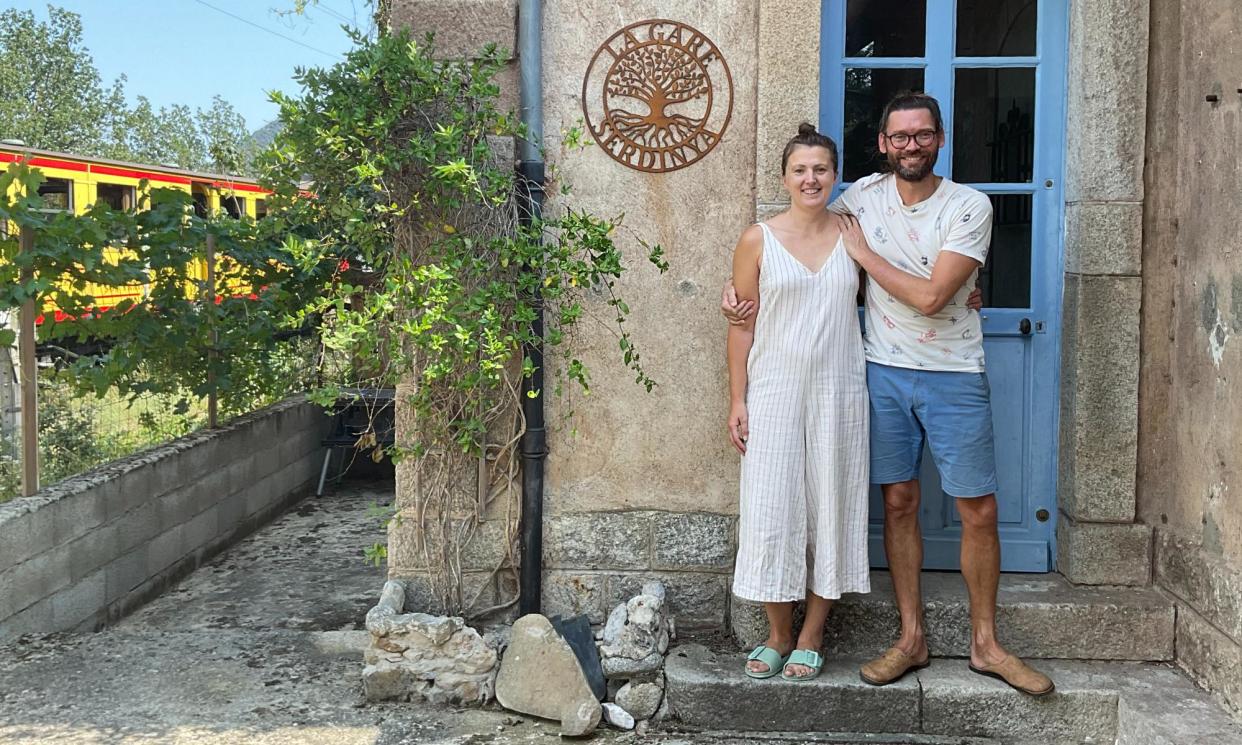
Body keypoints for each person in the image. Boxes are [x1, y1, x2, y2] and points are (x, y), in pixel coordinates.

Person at [724, 92, 1053, 697]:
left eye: (922, 135)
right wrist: (739, 310)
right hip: (881, 370)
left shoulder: (967, 205)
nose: (910, 145)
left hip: (953, 370)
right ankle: (910, 638)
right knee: (898, 501)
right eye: (898, 136)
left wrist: (962, 287)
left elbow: (932, 296)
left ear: (940, 139)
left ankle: (986, 644)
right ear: (881, 145)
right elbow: (791, 284)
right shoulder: (858, 202)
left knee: (977, 507)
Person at [727, 123, 870, 682]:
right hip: (774, 390)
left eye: (821, 169)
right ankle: (778, 634)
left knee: (832, 505)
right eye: (800, 170)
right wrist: (737, 399)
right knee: (771, 506)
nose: (811, 179)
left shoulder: (855, 234)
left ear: (835, 176)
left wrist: (968, 294)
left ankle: (813, 634)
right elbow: (742, 326)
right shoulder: (757, 239)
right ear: (785, 178)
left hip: (840, 392)